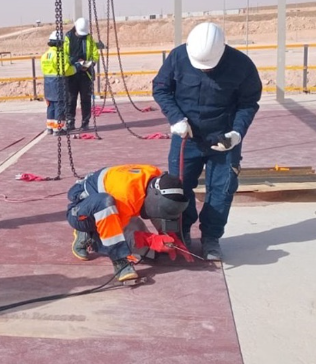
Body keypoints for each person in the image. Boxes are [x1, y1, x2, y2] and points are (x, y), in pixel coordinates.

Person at [152, 22, 262, 261]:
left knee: (222, 190)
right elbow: (160, 88)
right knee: (179, 188)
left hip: (224, 139)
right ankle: (181, 233)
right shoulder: (179, 57)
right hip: (186, 136)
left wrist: (237, 133)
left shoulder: (241, 65)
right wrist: (175, 118)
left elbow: (248, 103)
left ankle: (211, 238)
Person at [67, 164, 193, 282]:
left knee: (150, 254)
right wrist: (150, 240)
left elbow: (161, 211)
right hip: (81, 212)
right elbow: (117, 234)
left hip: (116, 209)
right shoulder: (124, 196)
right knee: (106, 208)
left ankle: (94, 231)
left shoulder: (156, 180)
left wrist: (171, 237)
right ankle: (116, 259)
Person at [64, 17, 100, 131]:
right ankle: (70, 121)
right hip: (71, 73)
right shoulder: (67, 38)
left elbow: (95, 55)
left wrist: (86, 66)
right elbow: (64, 56)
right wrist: (74, 62)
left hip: (85, 73)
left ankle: (85, 122)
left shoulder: (89, 38)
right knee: (71, 99)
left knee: (86, 99)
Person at [41, 30, 75, 135]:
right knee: (60, 106)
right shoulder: (60, 55)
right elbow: (66, 70)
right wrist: (76, 67)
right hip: (58, 83)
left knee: (51, 106)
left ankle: (50, 127)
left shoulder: (45, 55)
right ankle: (58, 129)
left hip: (48, 83)